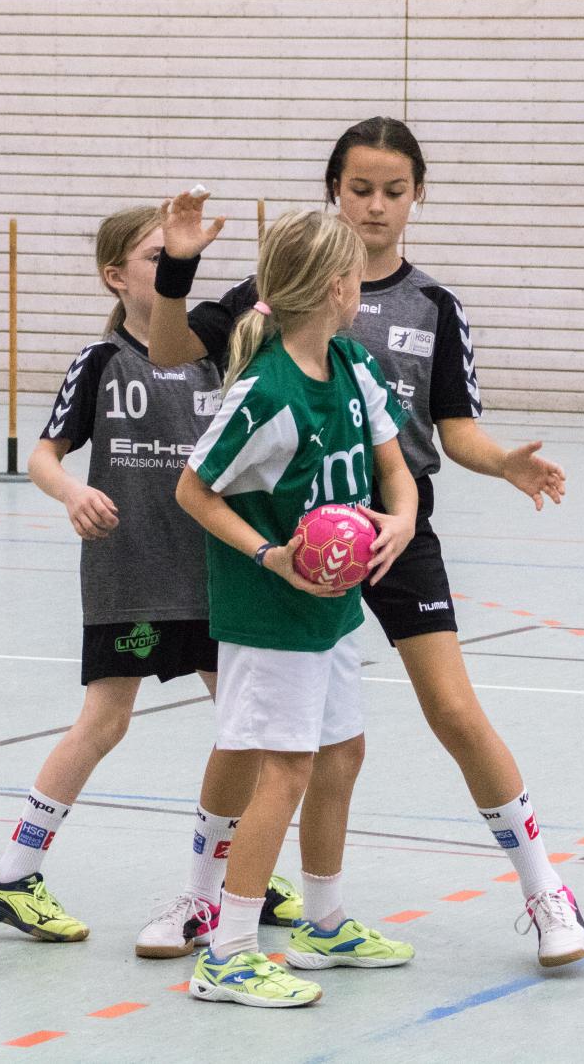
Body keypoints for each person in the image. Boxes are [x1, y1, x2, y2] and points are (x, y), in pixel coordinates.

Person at [149, 117, 584, 969]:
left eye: (394, 190)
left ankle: (547, 892)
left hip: (394, 526)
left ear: (418, 195)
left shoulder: (433, 306)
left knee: (448, 713)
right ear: (334, 191)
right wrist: (176, 267)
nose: (377, 205)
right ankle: (205, 902)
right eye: (360, 189)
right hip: (292, 534)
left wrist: (501, 462)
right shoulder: (277, 289)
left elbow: (452, 430)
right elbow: (170, 348)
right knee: (257, 737)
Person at [0, 205, 276, 952]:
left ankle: (235, 872)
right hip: (130, 573)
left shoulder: (214, 355)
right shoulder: (102, 361)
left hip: (211, 574)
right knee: (104, 721)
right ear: (116, 275)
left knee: (245, 725)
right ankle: (11, 873)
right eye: (155, 257)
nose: (171, 267)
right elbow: (44, 455)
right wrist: (72, 492)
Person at [177, 207, 419, 1008]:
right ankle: (228, 952)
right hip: (271, 613)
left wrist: (401, 519)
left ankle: (323, 921)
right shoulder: (268, 390)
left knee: (342, 753)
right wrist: (268, 554)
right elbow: (193, 489)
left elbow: (395, 468)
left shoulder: (352, 363)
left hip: (333, 610)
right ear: (337, 287)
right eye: (356, 277)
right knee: (285, 770)